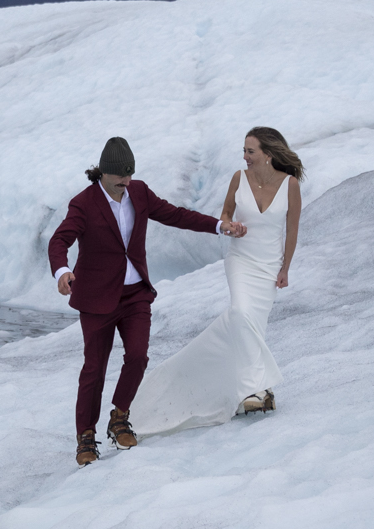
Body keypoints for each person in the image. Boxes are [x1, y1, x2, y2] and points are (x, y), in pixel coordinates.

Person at [47, 136, 239, 466]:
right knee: (95, 368)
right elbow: (59, 240)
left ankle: (119, 416)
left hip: (135, 294)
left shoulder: (139, 193)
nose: (127, 181)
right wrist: (62, 270)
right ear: (103, 173)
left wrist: (219, 226)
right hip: (96, 299)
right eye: (121, 175)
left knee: (137, 356)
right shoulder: (83, 203)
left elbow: (176, 215)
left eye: (130, 174)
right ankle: (85, 437)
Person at [132, 126, 303, 436]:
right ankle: (257, 390)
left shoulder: (290, 185)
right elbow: (225, 213)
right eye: (244, 150)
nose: (245, 156)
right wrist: (229, 225)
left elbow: (292, 231)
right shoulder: (239, 178)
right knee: (240, 313)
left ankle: (244, 393)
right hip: (240, 261)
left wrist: (285, 268)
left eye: (250, 151)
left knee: (251, 326)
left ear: (268, 153)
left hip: (268, 267)